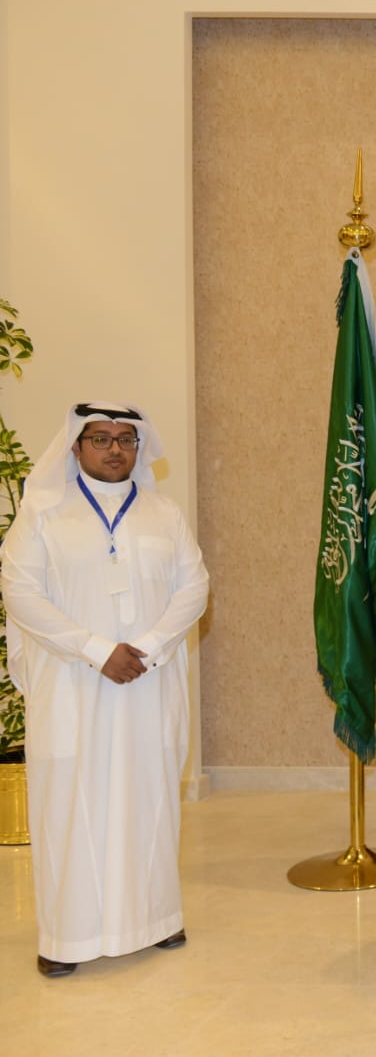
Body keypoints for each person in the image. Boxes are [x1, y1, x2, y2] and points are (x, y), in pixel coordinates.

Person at [1, 402, 209, 978]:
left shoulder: (164, 513)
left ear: (139, 448)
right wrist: (96, 650)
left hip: (148, 679)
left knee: (151, 796)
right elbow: (21, 593)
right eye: (100, 439)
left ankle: (155, 919)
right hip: (72, 684)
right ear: (76, 446)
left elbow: (194, 587)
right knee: (70, 803)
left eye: (126, 440)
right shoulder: (42, 513)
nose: (115, 449)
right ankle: (66, 936)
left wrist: (147, 646)